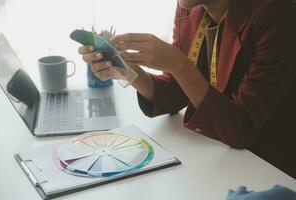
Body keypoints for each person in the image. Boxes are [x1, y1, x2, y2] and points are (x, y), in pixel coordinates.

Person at [79, 0, 296, 178]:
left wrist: (179, 64)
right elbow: (178, 91)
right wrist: (126, 68)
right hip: (223, 160)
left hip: (270, 169)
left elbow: (242, 129)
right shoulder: (190, 7)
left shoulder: (278, 15)